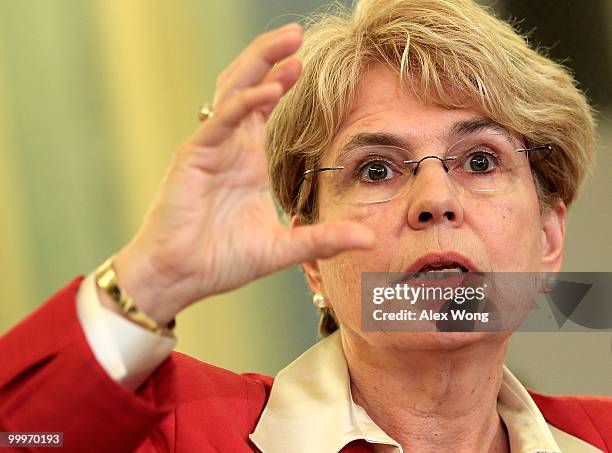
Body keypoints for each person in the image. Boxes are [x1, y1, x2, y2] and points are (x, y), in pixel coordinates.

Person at [1, 0, 610, 452]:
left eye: (480, 160)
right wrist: (152, 277)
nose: (435, 200)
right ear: (311, 259)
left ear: (550, 238)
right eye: (376, 170)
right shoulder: (181, 425)